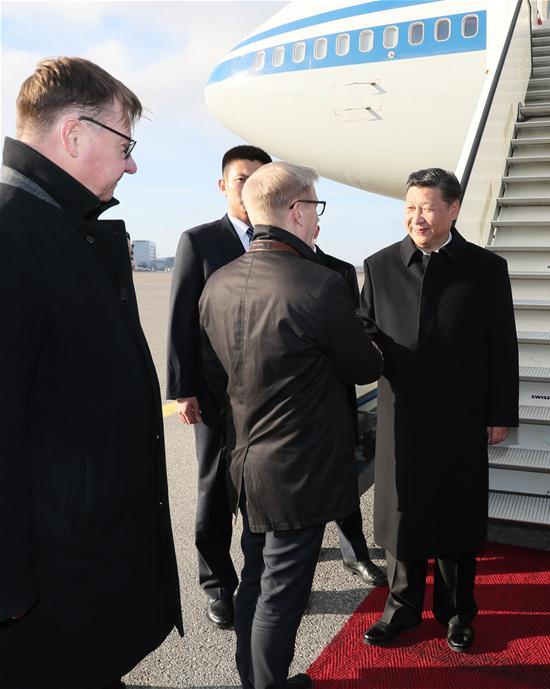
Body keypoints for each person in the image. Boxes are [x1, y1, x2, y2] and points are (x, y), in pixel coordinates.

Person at [0, 56, 181, 688]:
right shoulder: (12, 233)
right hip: (43, 587)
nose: (131, 166)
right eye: (125, 145)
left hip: (76, 566)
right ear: (74, 135)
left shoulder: (57, 229)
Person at [199, 162, 383, 689]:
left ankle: (255, 679)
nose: (318, 220)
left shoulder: (218, 283)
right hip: (299, 471)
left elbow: (215, 378)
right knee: (281, 595)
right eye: (315, 207)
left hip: (244, 462)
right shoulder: (318, 284)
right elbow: (363, 366)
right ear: (297, 212)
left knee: (256, 581)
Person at [359, 168, 519, 652]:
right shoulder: (380, 266)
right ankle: (401, 608)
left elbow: (502, 346)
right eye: (410, 207)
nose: (417, 217)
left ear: (453, 209)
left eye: (427, 207)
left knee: (456, 514)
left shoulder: (486, 269)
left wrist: (498, 413)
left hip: (461, 415)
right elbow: (365, 330)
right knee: (402, 513)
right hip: (401, 415)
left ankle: (456, 613)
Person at [166, 144, 272, 628]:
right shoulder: (200, 241)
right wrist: (183, 388)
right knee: (214, 490)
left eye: (259, 180)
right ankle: (217, 584)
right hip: (213, 393)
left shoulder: (281, 240)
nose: (249, 189)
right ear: (223, 184)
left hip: (268, 396)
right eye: (241, 179)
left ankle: (259, 578)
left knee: (261, 489)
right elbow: (180, 320)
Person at [311, 224, 387, 587]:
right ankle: (300, 559)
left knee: (344, 477)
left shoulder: (339, 271)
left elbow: (357, 328)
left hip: (336, 390)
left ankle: (355, 554)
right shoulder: (272, 269)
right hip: (292, 400)